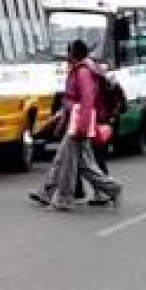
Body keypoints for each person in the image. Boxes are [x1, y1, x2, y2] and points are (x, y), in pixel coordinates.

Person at [29, 39, 122, 211]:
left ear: (74, 54)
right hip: (77, 121)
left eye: (68, 52)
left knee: (67, 162)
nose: (66, 55)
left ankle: (63, 198)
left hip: (79, 122)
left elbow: (87, 100)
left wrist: (82, 126)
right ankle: (111, 188)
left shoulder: (83, 73)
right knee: (80, 163)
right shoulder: (81, 70)